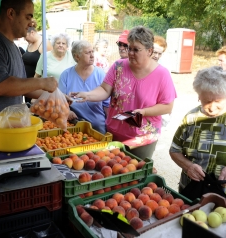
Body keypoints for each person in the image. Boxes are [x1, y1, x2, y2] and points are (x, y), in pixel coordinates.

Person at [0, 0, 60, 155]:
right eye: (28, 17)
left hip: (7, 137)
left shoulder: (14, 48)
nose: (32, 23)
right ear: (11, 13)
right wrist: (42, 82)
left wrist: (56, 96)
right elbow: (0, 86)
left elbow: (21, 87)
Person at [72, 26, 177, 163]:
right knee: (112, 169)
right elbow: (104, 90)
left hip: (143, 138)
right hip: (115, 132)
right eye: (129, 48)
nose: (130, 53)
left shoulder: (162, 74)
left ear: (149, 51)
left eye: (136, 49)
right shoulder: (118, 66)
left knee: (135, 172)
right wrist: (87, 95)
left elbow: (167, 106)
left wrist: (143, 112)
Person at [169, 66, 226, 218]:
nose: (212, 107)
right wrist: (188, 166)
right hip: (193, 192)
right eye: (206, 101)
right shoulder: (191, 118)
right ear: (199, 96)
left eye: (218, 101)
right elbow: (175, 149)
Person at [58, 40, 109, 134]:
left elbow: (107, 104)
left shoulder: (101, 74)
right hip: (74, 125)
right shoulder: (66, 75)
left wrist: (109, 125)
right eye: (87, 53)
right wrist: (67, 111)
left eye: (92, 51)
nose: (92, 55)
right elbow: (60, 99)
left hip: (97, 126)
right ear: (77, 56)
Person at [22, 26, 53, 103]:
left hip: (36, 85)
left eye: (25, 36)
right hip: (26, 84)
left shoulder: (45, 43)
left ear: (32, 33)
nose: (24, 39)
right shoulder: (30, 44)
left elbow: (49, 63)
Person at [151, 35, 171, 127]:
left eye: (160, 53)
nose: (156, 56)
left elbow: (168, 96)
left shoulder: (164, 70)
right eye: (154, 52)